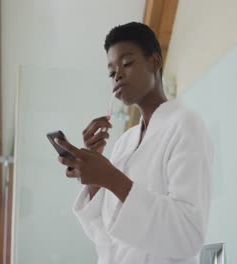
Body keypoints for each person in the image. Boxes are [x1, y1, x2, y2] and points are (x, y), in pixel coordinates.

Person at [55, 22, 213, 264]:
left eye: (127, 63)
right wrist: (94, 173)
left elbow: (188, 234)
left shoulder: (186, 125)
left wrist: (110, 177)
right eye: (111, 72)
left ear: (154, 62)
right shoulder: (125, 143)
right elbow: (108, 232)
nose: (117, 75)